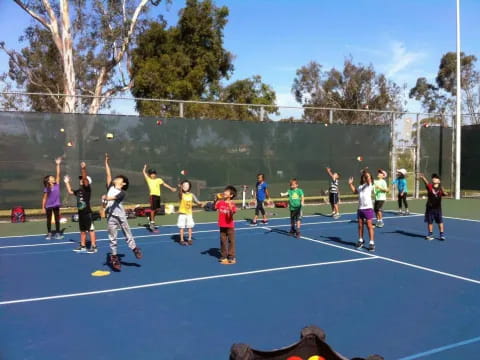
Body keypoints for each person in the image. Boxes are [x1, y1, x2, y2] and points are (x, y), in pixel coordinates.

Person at [103, 154, 142, 271]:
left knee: (127, 233)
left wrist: (106, 198)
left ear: (123, 183)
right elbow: (108, 174)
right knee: (112, 237)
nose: (116, 178)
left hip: (120, 215)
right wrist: (106, 162)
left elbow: (114, 198)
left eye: (119, 178)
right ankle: (114, 257)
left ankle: (134, 248)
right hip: (111, 216)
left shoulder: (122, 192)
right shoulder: (110, 186)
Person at [64, 162, 97, 253]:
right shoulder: (79, 190)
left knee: (91, 229)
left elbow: (85, 178)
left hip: (87, 213)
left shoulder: (87, 188)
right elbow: (70, 191)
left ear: (86, 181)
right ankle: (82, 246)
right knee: (82, 231)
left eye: (81, 179)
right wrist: (67, 182)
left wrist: (83, 169)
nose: (80, 179)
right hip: (81, 213)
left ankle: (94, 246)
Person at [142, 164, 177, 232]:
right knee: (153, 209)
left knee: (157, 209)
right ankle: (152, 224)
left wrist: (171, 188)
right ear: (149, 175)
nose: (153, 175)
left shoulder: (159, 180)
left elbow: (164, 184)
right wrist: (144, 168)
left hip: (158, 196)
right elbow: (144, 172)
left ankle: (150, 218)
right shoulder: (148, 179)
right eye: (151, 174)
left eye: (154, 174)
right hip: (153, 196)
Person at [348, 170, 375, 251]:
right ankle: (361, 240)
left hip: (368, 208)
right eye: (365, 177)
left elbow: (368, 180)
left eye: (368, 177)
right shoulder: (360, 187)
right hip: (360, 209)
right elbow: (354, 192)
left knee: (369, 225)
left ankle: (371, 243)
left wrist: (365, 173)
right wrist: (350, 184)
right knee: (360, 225)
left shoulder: (369, 185)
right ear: (362, 178)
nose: (366, 178)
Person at [418, 173, 448, 241]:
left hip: (438, 208)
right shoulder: (430, 186)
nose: (434, 178)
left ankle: (442, 235)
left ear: (439, 181)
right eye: (433, 178)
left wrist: (445, 193)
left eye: (436, 178)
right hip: (430, 208)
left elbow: (445, 193)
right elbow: (426, 183)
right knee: (430, 222)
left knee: (440, 221)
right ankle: (430, 234)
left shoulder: (441, 188)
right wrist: (423, 177)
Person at [42, 157, 64, 240]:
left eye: (53, 177)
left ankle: (58, 233)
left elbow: (58, 174)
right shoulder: (46, 188)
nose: (53, 178)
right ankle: (49, 233)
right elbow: (44, 199)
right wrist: (43, 207)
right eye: (52, 178)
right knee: (48, 220)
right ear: (48, 181)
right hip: (48, 206)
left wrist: (58, 164)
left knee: (57, 219)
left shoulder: (57, 184)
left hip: (56, 204)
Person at [215, 185, 237, 264]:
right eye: (225, 191)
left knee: (231, 241)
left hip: (230, 226)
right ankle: (223, 256)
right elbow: (214, 207)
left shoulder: (232, 204)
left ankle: (231, 257)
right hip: (222, 225)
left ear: (231, 195)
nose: (224, 192)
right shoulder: (220, 203)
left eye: (227, 191)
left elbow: (233, 212)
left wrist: (230, 208)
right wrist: (216, 199)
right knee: (223, 241)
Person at [177, 180, 203, 246]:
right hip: (182, 214)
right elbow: (180, 193)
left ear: (189, 187)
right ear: (182, 186)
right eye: (184, 185)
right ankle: (182, 240)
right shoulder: (181, 194)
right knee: (182, 227)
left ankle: (189, 239)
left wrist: (200, 204)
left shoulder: (192, 195)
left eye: (187, 185)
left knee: (190, 227)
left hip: (189, 214)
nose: (185, 186)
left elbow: (197, 201)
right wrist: (180, 187)